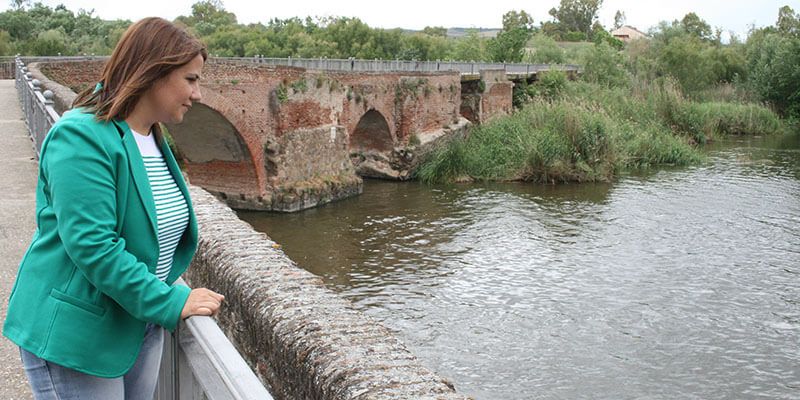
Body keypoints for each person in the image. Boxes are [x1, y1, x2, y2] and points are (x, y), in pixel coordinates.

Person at [3, 17, 225, 399]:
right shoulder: (81, 136)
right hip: (78, 336)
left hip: (137, 322)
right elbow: (94, 245)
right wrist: (172, 300)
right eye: (190, 79)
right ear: (153, 72)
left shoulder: (152, 135)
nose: (198, 93)